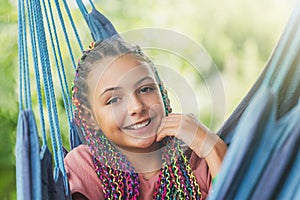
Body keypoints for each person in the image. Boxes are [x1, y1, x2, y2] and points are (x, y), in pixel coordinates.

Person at [64, 36, 227, 200]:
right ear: (89, 117)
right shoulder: (85, 167)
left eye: (145, 89)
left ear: (162, 93)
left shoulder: (196, 159)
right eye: (114, 99)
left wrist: (211, 147)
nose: (137, 107)